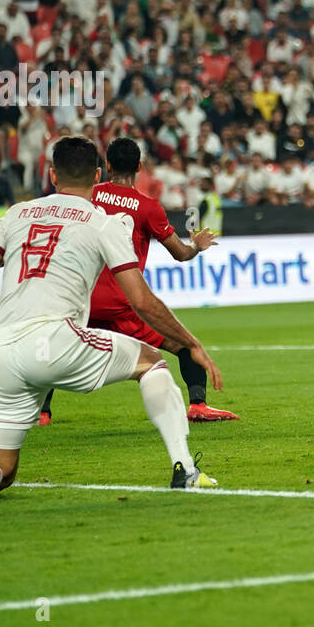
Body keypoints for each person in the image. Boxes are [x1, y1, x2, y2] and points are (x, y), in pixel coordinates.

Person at [0, 137, 224, 507]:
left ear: (51, 174)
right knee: (152, 362)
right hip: (54, 340)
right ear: (97, 175)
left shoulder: (16, 214)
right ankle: (185, 470)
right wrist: (191, 343)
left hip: (1, 348)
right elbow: (142, 301)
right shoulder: (103, 222)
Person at [38, 136, 238, 426]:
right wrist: (196, 246)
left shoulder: (88, 194)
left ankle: (42, 412)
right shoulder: (148, 207)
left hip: (81, 299)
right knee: (184, 346)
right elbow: (180, 254)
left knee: (53, 349)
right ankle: (198, 405)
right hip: (125, 305)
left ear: (105, 166)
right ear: (140, 167)